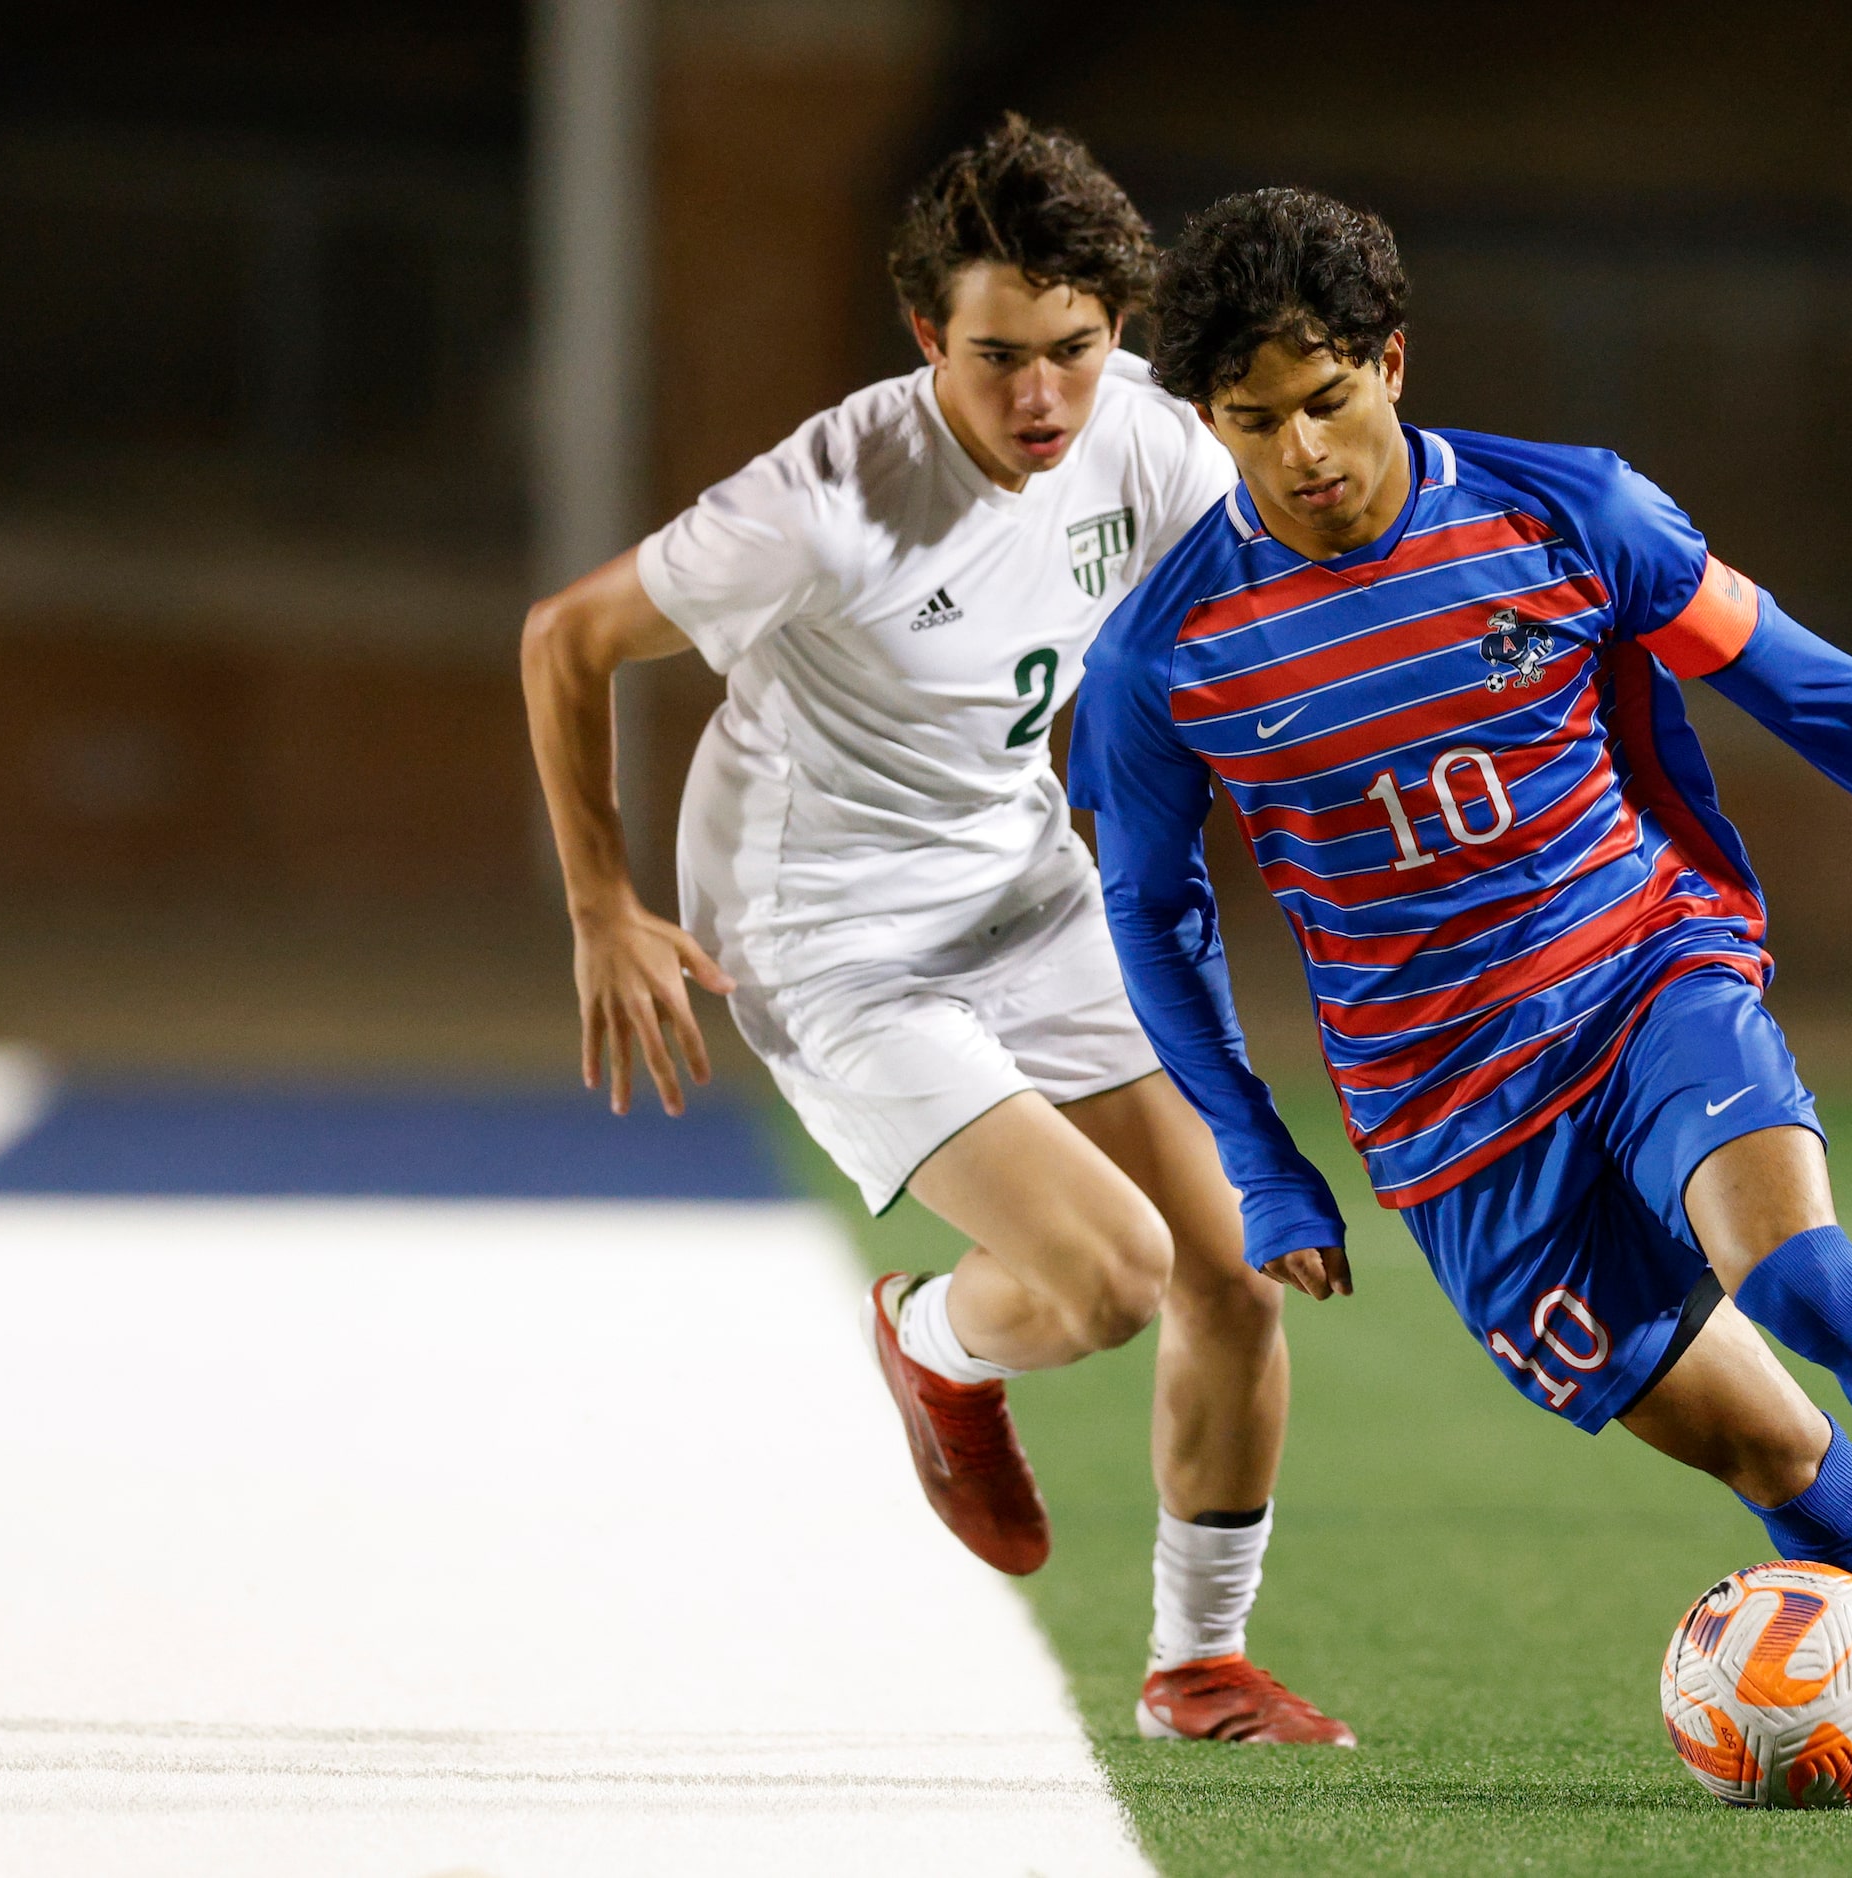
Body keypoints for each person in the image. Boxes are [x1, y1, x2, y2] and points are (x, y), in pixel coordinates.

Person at [1069, 187, 1852, 1799]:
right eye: (1253, 422)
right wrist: (1257, 1153)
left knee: (1802, 1279)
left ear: (1392, 360)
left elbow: (1814, 690)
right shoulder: (1163, 657)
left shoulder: (1570, 510)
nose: (1301, 452)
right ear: (1206, 420)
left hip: (1640, 974)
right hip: (1446, 1120)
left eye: (1328, 401)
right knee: (1769, 1448)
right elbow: (1152, 916)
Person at [517, 123, 1351, 1747]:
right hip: (827, 931)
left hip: (1020, 884)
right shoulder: (825, 500)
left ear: (1118, 332)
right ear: (926, 341)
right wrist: (600, 905)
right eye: (995, 359)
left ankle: (1201, 1669)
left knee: (1235, 1268)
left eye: (1073, 353)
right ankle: (928, 1337)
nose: (1039, 399)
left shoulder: (1157, 449)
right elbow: (568, 637)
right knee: (1112, 1275)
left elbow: (1268, 620)